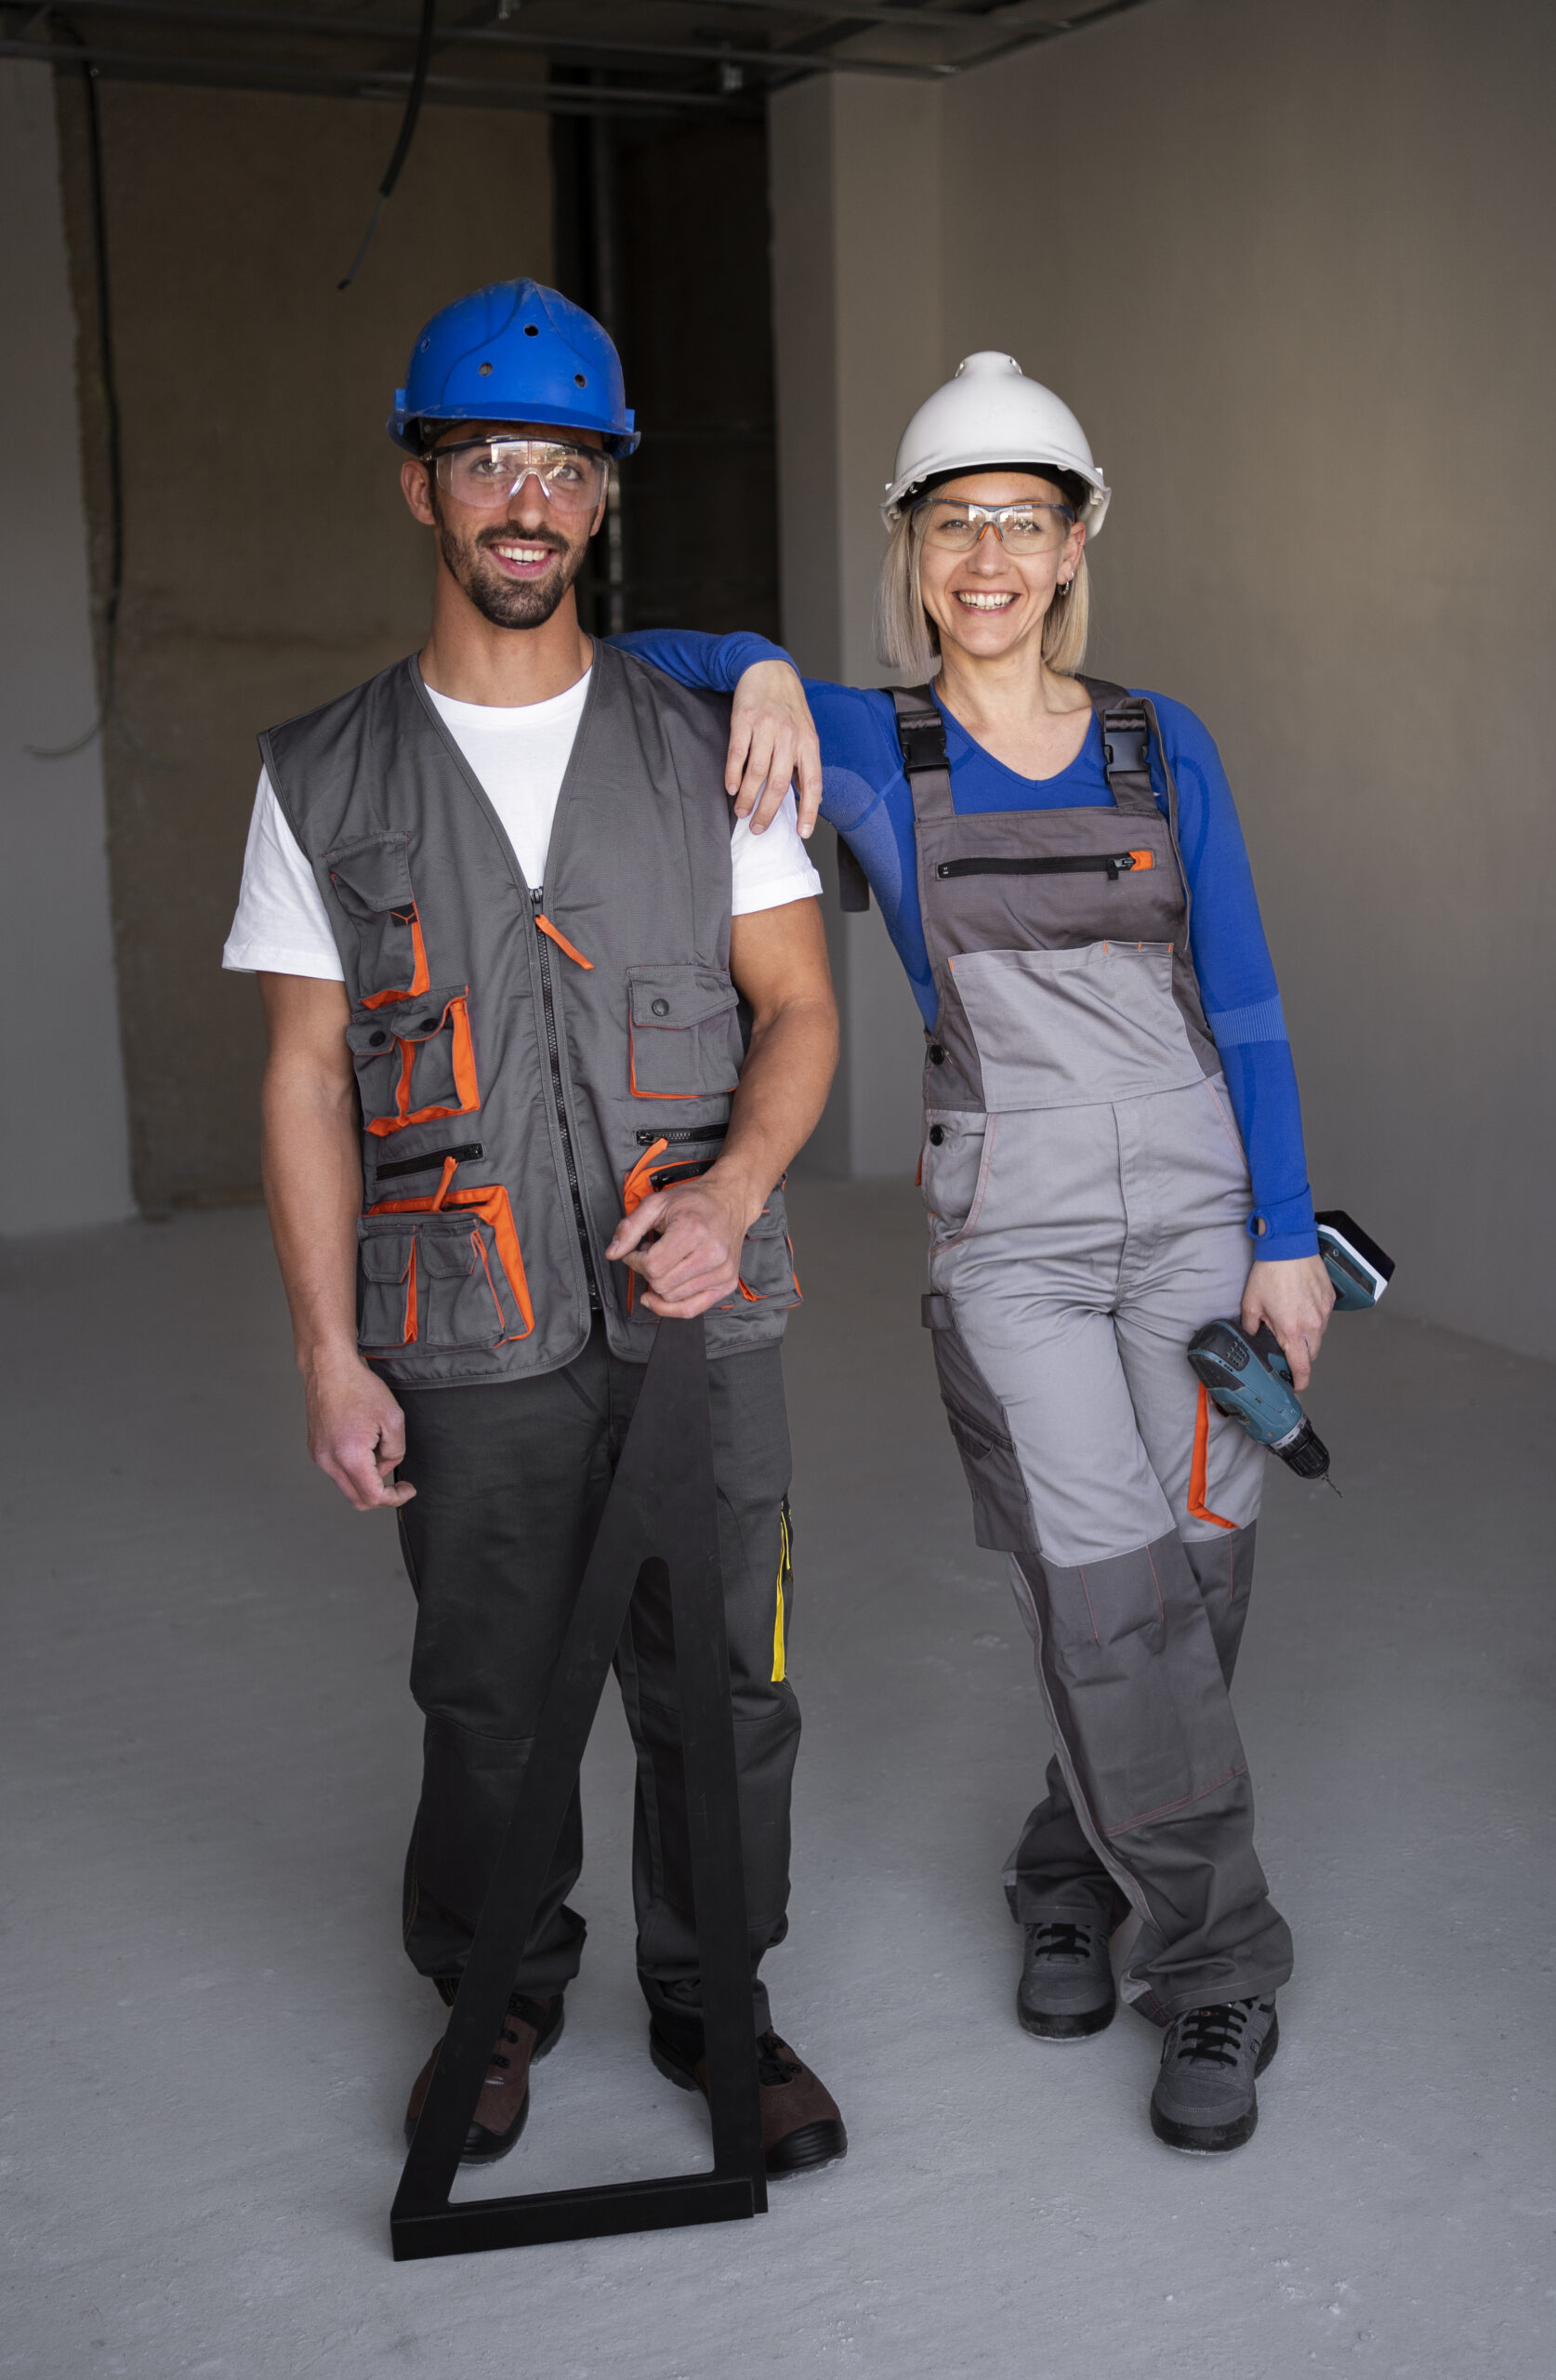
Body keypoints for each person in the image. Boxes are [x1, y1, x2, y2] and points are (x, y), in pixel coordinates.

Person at [618, 351, 1335, 2155]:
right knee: (1102, 1596)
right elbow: (629, 666)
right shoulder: (865, 743)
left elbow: (1240, 998)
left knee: (1197, 1583)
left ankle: (1062, 1867)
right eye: (955, 523)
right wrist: (764, 666)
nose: (990, 555)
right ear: (911, 548)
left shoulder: (1160, 742)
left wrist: (1279, 1234)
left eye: (1023, 518)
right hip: (1008, 1241)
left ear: (1077, 536)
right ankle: (1219, 1955)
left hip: (1194, 1225)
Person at [221, 279, 850, 2177]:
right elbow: (304, 1077)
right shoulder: (318, 775)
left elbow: (803, 1009)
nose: (523, 498)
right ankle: (495, 1996)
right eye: (483, 458)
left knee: (722, 1680)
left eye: (562, 465)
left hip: (699, 1325)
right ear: (419, 484)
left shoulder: (711, 748)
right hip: (464, 1326)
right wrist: (330, 1351)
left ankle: (715, 1994)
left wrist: (730, 1199)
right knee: (488, 1692)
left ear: (601, 497)